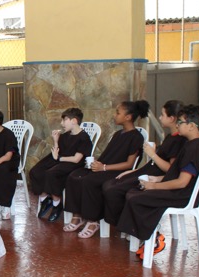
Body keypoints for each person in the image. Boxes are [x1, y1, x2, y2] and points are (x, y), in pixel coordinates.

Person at [117, 105, 199, 260]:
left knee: (136, 197)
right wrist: (157, 179)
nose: (177, 125)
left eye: (180, 122)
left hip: (183, 195)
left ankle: (154, 237)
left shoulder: (196, 148)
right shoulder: (193, 144)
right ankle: (149, 234)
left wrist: (154, 186)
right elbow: (180, 174)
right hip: (180, 190)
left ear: (191, 126)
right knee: (133, 192)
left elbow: (182, 182)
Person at [63, 100, 149, 238]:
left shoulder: (136, 137)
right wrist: (97, 163)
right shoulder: (117, 134)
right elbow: (108, 155)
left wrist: (103, 167)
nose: (115, 115)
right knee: (74, 176)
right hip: (104, 168)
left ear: (128, 117)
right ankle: (77, 216)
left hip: (117, 171)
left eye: (118, 113)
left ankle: (93, 221)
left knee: (90, 181)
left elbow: (129, 164)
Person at [102, 100, 186, 228]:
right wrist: (133, 171)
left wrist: (152, 154)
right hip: (148, 170)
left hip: (154, 176)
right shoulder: (170, 137)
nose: (160, 118)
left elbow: (171, 169)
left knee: (113, 190)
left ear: (172, 118)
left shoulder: (179, 140)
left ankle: (124, 225)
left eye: (162, 115)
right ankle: (122, 224)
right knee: (110, 183)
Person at [30, 108, 93, 223]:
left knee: (51, 173)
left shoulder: (84, 138)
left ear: (74, 121)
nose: (61, 123)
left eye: (64, 120)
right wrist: (55, 140)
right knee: (35, 171)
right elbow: (57, 151)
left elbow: (76, 159)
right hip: (60, 159)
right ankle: (45, 199)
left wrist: (59, 158)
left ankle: (56, 204)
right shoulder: (65, 135)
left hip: (72, 164)